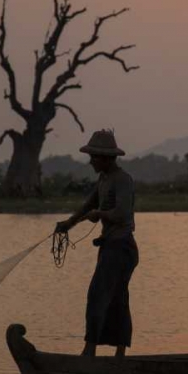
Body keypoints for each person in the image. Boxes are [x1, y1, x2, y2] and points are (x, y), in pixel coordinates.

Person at [55, 130, 138, 358]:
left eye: (94, 157)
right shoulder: (103, 179)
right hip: (110, 246)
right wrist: (69, 223)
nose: (91, 161)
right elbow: (88, 205)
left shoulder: (122, 179)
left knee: (99, 296)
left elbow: (122, 213)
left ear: (105, 158)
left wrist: (99, 214)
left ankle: (90, 352)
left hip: (122, 247)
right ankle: (117, 355)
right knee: (116, 298)